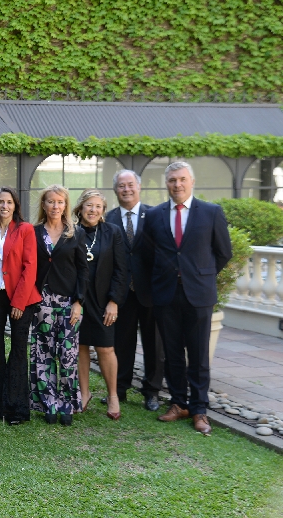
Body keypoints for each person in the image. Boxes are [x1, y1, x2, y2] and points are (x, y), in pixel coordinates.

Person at [144, 161, 231, 435]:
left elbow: (223, 252)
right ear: (166, 183)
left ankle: (199, 409)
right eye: (172, 180)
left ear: (191, 182)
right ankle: (179, 403)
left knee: (198, 354)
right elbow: (147, 254)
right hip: (166, 294)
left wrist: (201, 275)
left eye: (182, 179)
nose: (177, 184)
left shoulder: (211, 212)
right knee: (171, 354)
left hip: (199, 294)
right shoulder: (155, 215)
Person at [105, 169, 164, 411]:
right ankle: (119, 389)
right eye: (121, 186)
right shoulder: (108, 218)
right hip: (121, 293)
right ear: (116, 190)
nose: (126, 189)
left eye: (130, 185)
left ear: (139, 187)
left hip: (151, 291)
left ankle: (151, 392)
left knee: (154, 345)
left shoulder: (155, 215)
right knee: (122, 343)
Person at [0, 187, 41, 425]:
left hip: (20, 297)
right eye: (0, 202)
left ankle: (16, 409)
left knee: (17, 351)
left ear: (15, 206)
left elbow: (30, 267)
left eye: (9, 202)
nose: (4, 206)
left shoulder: (25, 230)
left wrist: (19, 301)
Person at [30, 185, 89, 426]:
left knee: (67, 355)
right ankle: (49, 403)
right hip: (41, 301)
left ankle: (67, 403)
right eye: (51, 202)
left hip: (68, 302)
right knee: (43, 354)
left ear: (66, 205)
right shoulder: (33, 232)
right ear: (44, 205)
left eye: (60, 202)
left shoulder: (76, 233)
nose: (55, 206)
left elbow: (84, 271)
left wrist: (78, 302)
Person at [73, 189, 127, 421]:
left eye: (98, 206)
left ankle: (113, 395)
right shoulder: (71, 232)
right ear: (80, 208)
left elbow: (121, 270)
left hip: (104, 300)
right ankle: (84, 394)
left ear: (103, 211)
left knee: (105, 348)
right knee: (81, 347)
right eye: (89, 205)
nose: (93, 210)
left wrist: (114, 301)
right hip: (77, 299)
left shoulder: (112, 232)